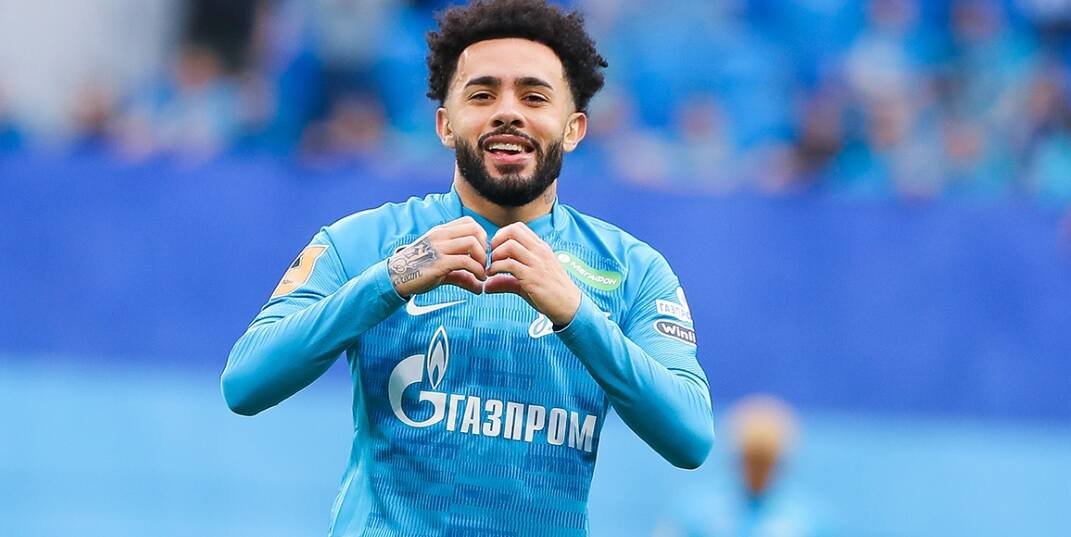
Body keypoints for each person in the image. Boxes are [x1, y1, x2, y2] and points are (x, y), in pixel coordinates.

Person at [221, 1, 714, 534]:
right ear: (446, 125)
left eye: (534, 96)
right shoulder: (366, 243)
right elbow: (245, 384)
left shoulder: (633, 270)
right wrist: (389, 281)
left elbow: (691, 437)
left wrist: (575, 313)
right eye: (482, 95)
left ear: (573, 129)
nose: (508, 113)